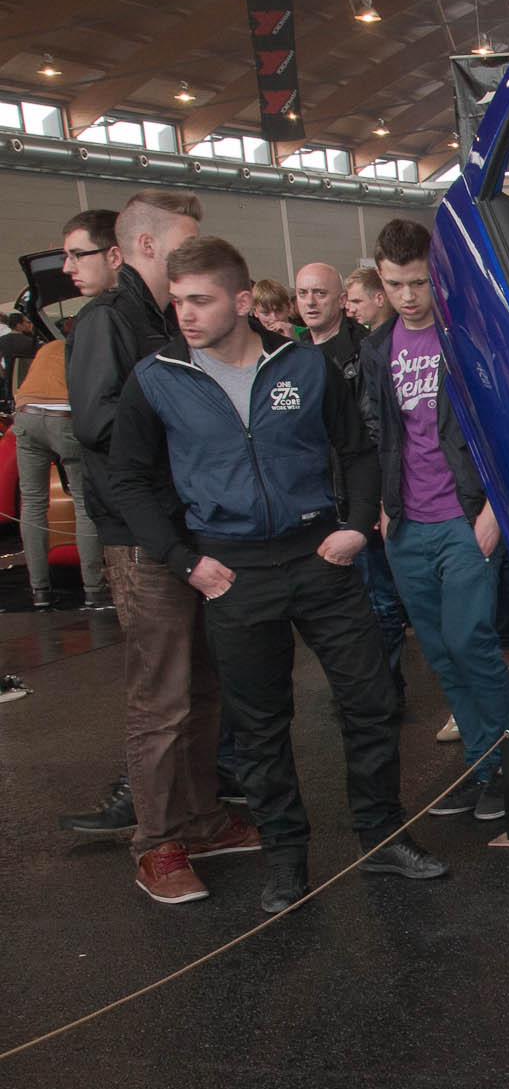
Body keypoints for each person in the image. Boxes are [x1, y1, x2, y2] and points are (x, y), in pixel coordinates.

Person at [107, 237, 447, 914]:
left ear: (242, 301)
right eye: (177, 301)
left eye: (200, 300)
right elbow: (129, 481)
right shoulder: (157, 378)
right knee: (260, 726)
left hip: (320, 557)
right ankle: (287, 860)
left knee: (371, 702)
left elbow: (357, 449)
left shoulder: (305, 365)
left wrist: (356, 526)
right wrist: (184, 561)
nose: (185, 314)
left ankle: (383, 839)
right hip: (230, 570)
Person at [63, 189, 253, 900]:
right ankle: (156, 844)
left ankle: (200, 820)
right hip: (141, 536)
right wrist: (191, 416)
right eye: (182, 241)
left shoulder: (164, 317)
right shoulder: (107, 319)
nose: (193, 253)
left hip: (188, 527)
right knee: (161, 698)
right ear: (145, 245)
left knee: (202, 688)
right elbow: (95, 422)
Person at [360, 218, 509, 822]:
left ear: (436, 275)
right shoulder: (378, 347)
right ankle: (481, 767)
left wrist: (496, 512)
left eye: (417, 283)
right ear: (381, 282)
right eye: (394, 285)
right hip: (407, 524)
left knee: (471, 644)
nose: (408, 297)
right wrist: (384, 507)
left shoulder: (470, 339)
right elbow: (380, 435)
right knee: (440, 653)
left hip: (466, 517)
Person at [295, 261, 405, 702]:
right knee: (333, 611)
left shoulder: (366, 351)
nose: (310, 302)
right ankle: (359, 694)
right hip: (316, 502)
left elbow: (377, 432)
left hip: (358, 498)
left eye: (319, 293)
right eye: (303, 293)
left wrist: (374, 499)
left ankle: (386, 693)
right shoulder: (292, 355)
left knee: (380, 602)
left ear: (341, 300)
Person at [16, 210, 114, 611]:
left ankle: (39, 590)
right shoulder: (82, 342)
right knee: (84, 506)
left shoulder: (47, 348)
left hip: (26, 417)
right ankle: (94, 589)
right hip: (63, 418)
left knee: (32, 503)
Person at [0, 313, 37, 405]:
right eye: (26, 322)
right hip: (28, 377)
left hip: (9, 376)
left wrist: (3, 373)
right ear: (18, 325)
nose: (28, 325)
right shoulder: (30, 341)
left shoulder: (2, 340)